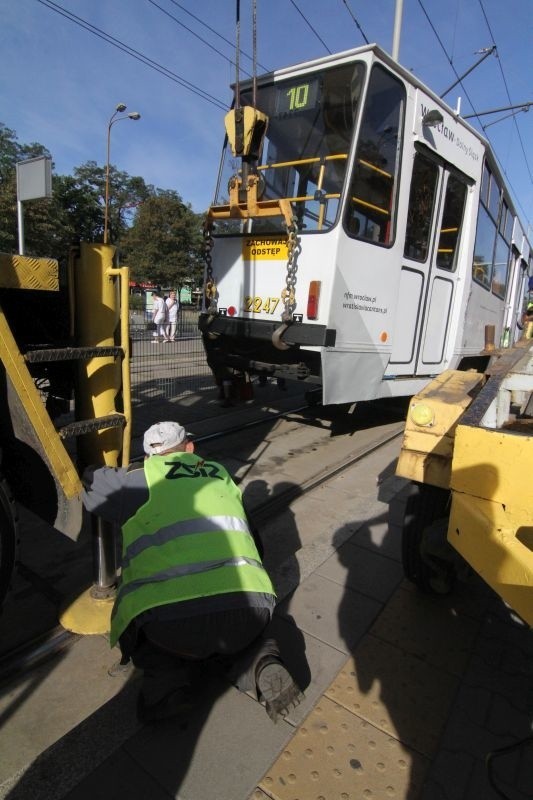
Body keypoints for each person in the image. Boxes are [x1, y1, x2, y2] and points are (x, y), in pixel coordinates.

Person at [82, 421, 302, 724]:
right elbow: (255, 542)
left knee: (159, 645)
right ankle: (261, 661)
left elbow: (92, 483)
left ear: (148, 457)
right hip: (250, 608)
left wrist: (91, 465)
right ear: (189, 448)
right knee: (242, 641)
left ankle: (167, 689)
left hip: (171, 626)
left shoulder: (140, 477)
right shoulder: (221, 474)